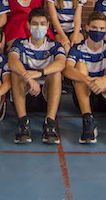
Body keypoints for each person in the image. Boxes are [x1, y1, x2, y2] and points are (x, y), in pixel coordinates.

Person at [64, 11, 106, 147]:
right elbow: (67, 69)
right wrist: (88, 80)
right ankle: (87, 120)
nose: (98, 31)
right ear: (87, 27)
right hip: (85, 95)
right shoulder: (78, 48)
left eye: (102, 28)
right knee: (80, 66)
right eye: (94, 27)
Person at [7, 8, 67, 144]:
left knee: (56, 73)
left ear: (47, 26)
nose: (38, 27)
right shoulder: (20, 43)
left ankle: (50, 123)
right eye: (34, 24)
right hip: (25, 93)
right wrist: (28, 77)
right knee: (16, 73)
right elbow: (12, 61)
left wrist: (39, 73)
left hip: (46, 95)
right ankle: (23, 123)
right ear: (28, 26)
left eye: (42, 23)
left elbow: (61, 63)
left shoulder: (55, 45)